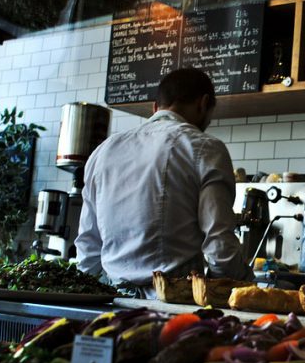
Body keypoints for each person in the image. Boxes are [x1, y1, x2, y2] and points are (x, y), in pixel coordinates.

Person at [75, 67, 253, 297]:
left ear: (155, 107)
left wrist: (83, 300)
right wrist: (243, 286)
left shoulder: (104, 151)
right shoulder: (205, 148)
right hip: (174, 305)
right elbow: (220, 246)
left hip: (113, 302)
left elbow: (88, 244)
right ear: (203, 104)